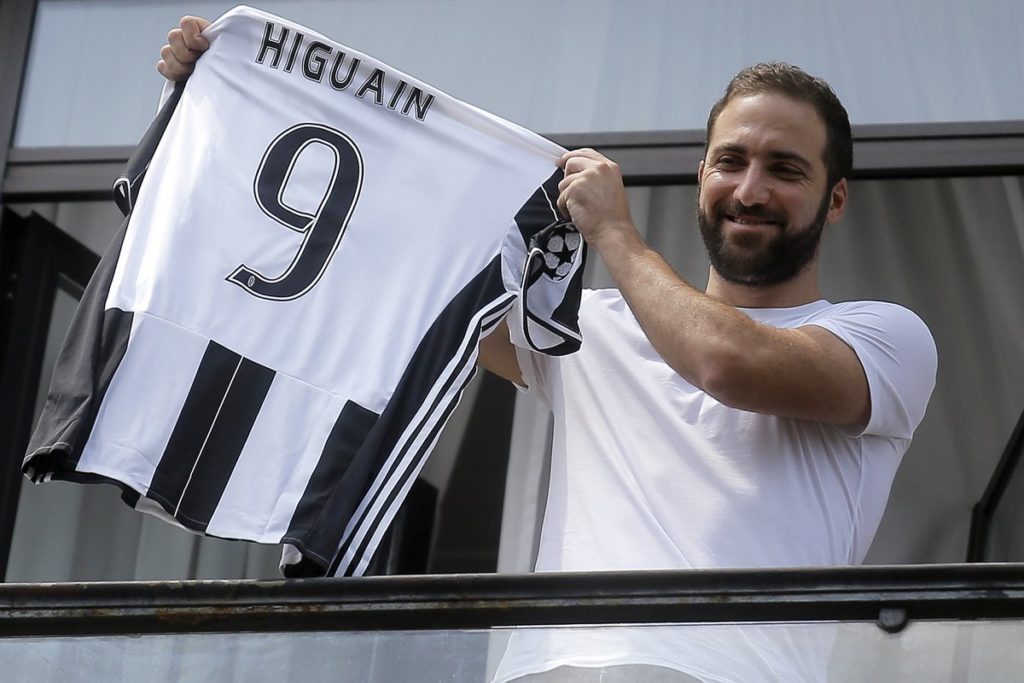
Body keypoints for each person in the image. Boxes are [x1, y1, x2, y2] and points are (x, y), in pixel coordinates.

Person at [159, 16, 936, 681]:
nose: (751, 188)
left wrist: (615, 235)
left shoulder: (885, 337)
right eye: (731, 161)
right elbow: (376, 270)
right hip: (545, 669)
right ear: (702, 176)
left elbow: (724, 363)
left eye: (785, 169)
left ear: (836, 199)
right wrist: (223, 111)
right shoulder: (589, 324)